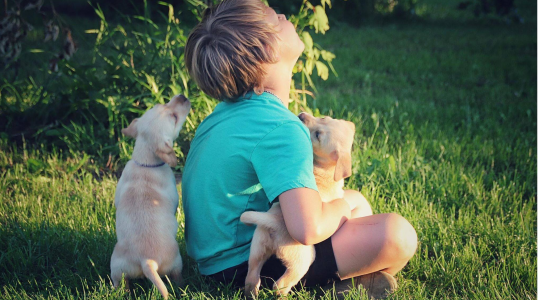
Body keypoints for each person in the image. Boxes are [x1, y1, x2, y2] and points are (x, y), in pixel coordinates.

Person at [181, 0, 418, 298]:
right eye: (275, 18)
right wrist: (340, 208)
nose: (283, 14)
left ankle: (348, 280)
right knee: (396, 234)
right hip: (252, 266)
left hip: (212, 264)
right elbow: (308, 229)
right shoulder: (282, 127)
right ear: (268, 51)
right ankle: (337, 284)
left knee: (356, 200)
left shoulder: (221, 115)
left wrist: (344, 203)